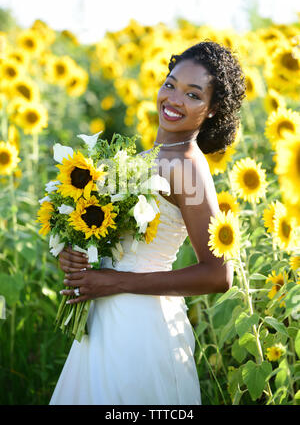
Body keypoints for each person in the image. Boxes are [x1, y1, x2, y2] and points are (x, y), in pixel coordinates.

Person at [49, 41, 246, 405]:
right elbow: (113, 236)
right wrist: (77, 255)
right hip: (104, 318)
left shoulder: (187, 165)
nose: (173, 99)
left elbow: (219, 274)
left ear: (213, 108)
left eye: (192, 94)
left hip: (141, 326)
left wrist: (116, 281)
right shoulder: (145, 156)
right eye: (170, 84)